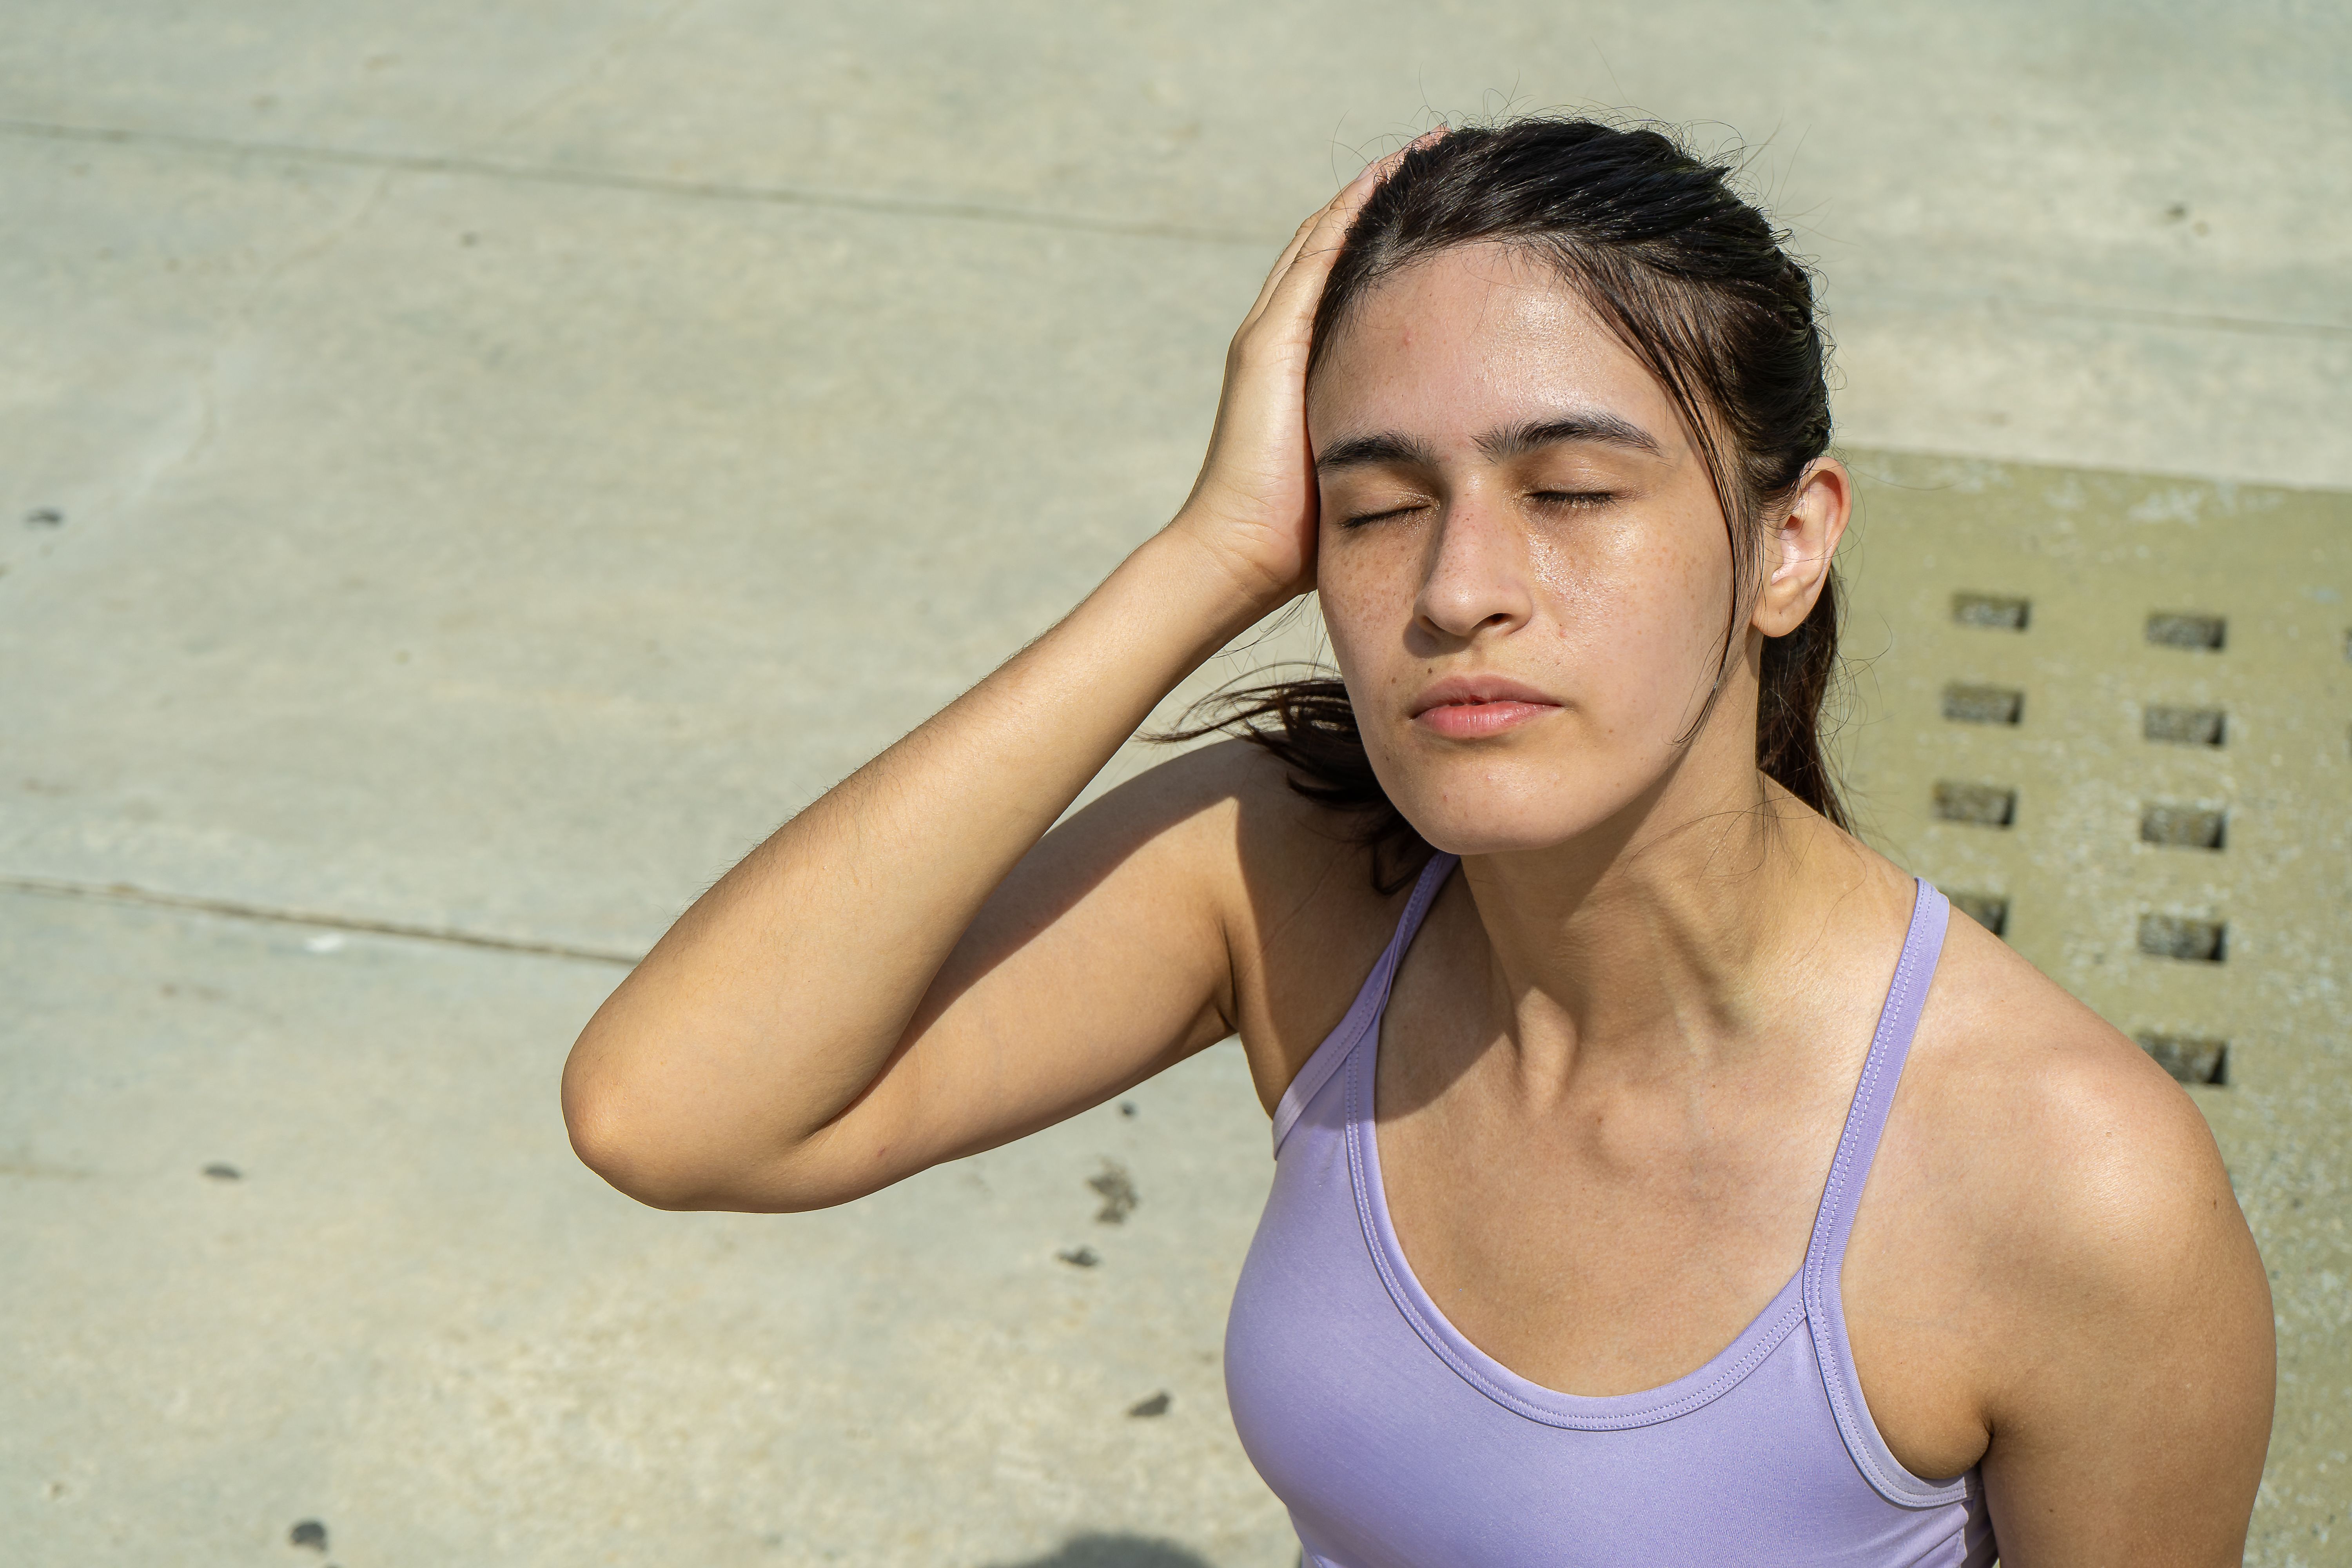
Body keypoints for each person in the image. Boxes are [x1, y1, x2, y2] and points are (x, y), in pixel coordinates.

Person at [559, 118, 2274, 1566]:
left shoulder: (2066, 1189)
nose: (1458, 589)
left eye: (1573, 493)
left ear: (1787, 544)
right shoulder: (1301, 883)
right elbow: (675, 1109)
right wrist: (1209, 556)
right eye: (1375, 508)